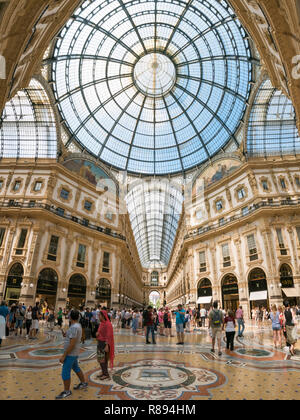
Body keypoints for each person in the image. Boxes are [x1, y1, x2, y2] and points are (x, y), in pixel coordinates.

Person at [56, 310, 88, 399]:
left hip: (71, 353)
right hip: (74, 352)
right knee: (76, 368)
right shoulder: (77, 326)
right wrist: (65, 334)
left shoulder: (74, 327)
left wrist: (64, 355)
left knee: (65, 371)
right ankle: (83, 383)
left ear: (70, 317)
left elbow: (72, 344)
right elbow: (72, 337)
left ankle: (67, 391)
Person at [96, 310, 115, 380]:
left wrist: (107, 345)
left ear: (103, 316)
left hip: (104, 344)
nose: (98, 316)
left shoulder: (108, 324)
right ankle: (104, 371)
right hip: (100, 342)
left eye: (99, 315)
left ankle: (106, 374)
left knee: (103, 359)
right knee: (101, 359)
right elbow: (99, 332)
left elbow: (109, 335)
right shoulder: (101, 323)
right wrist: (97, 334)